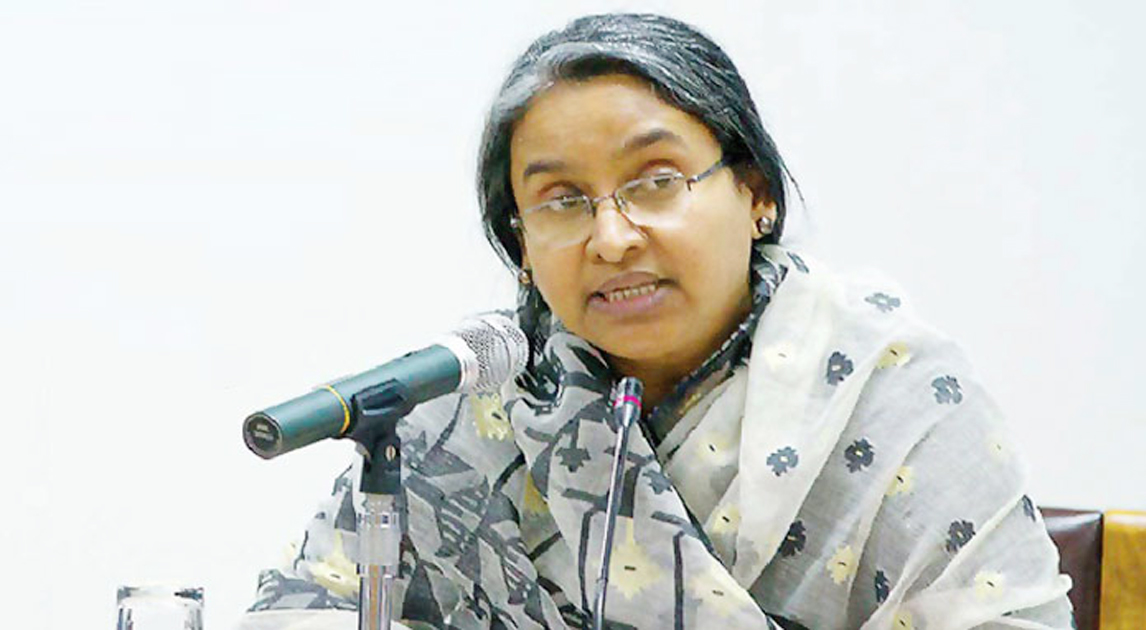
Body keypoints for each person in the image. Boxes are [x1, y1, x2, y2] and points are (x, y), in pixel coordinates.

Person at [241, 13, 1073, 629]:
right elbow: (302, 605)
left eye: (657, 181)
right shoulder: (465, 412)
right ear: (520, 245)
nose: (611, 237)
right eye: (562, 200)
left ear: (755, 193)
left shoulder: (893, 401)